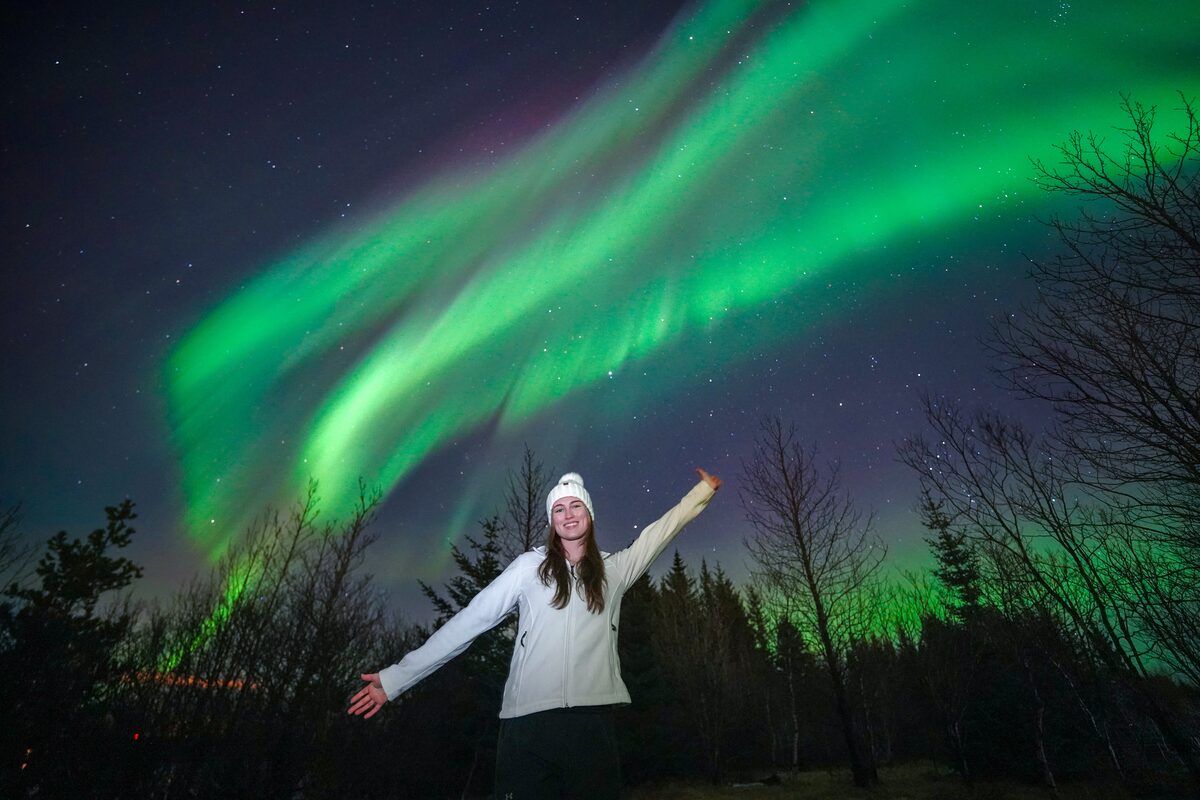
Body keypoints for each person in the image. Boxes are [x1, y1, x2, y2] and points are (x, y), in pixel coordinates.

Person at [348, 467, 721, 798]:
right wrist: (395, 678)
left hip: (590, 729)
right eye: (559, 509)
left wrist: (700, 493)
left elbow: (660, 533)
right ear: (551, 520)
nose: (568, 514)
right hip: (527, 727)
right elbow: (468, 622)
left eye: (575, 506)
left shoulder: (615, 571)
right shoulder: (529, 567)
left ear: (589, 513)